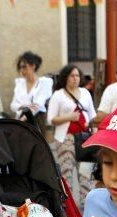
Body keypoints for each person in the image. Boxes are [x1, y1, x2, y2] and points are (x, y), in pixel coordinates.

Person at [47, 64, 95, 207]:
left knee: (86, 173)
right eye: (72, 76)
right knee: (66, 173)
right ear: (65, 78)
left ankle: (87, 205)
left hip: (85, 137)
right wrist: (69, 117)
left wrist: (94, 131)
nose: (75, 79)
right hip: (65, 138)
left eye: (77, 75)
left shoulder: (85, 93)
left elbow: (92, 115)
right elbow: (51, 119)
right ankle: (69, 208)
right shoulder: (58, 95)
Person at [10, 51, 52, 133]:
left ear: (33, 66)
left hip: (36, 121)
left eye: (24, 67)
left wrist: (21, 121)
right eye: (20, 67)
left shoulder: (43, 83)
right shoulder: (20, 83)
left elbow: (37, 106)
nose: (22, 70)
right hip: (20, 120)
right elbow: (13, 105)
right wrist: (25, 106)